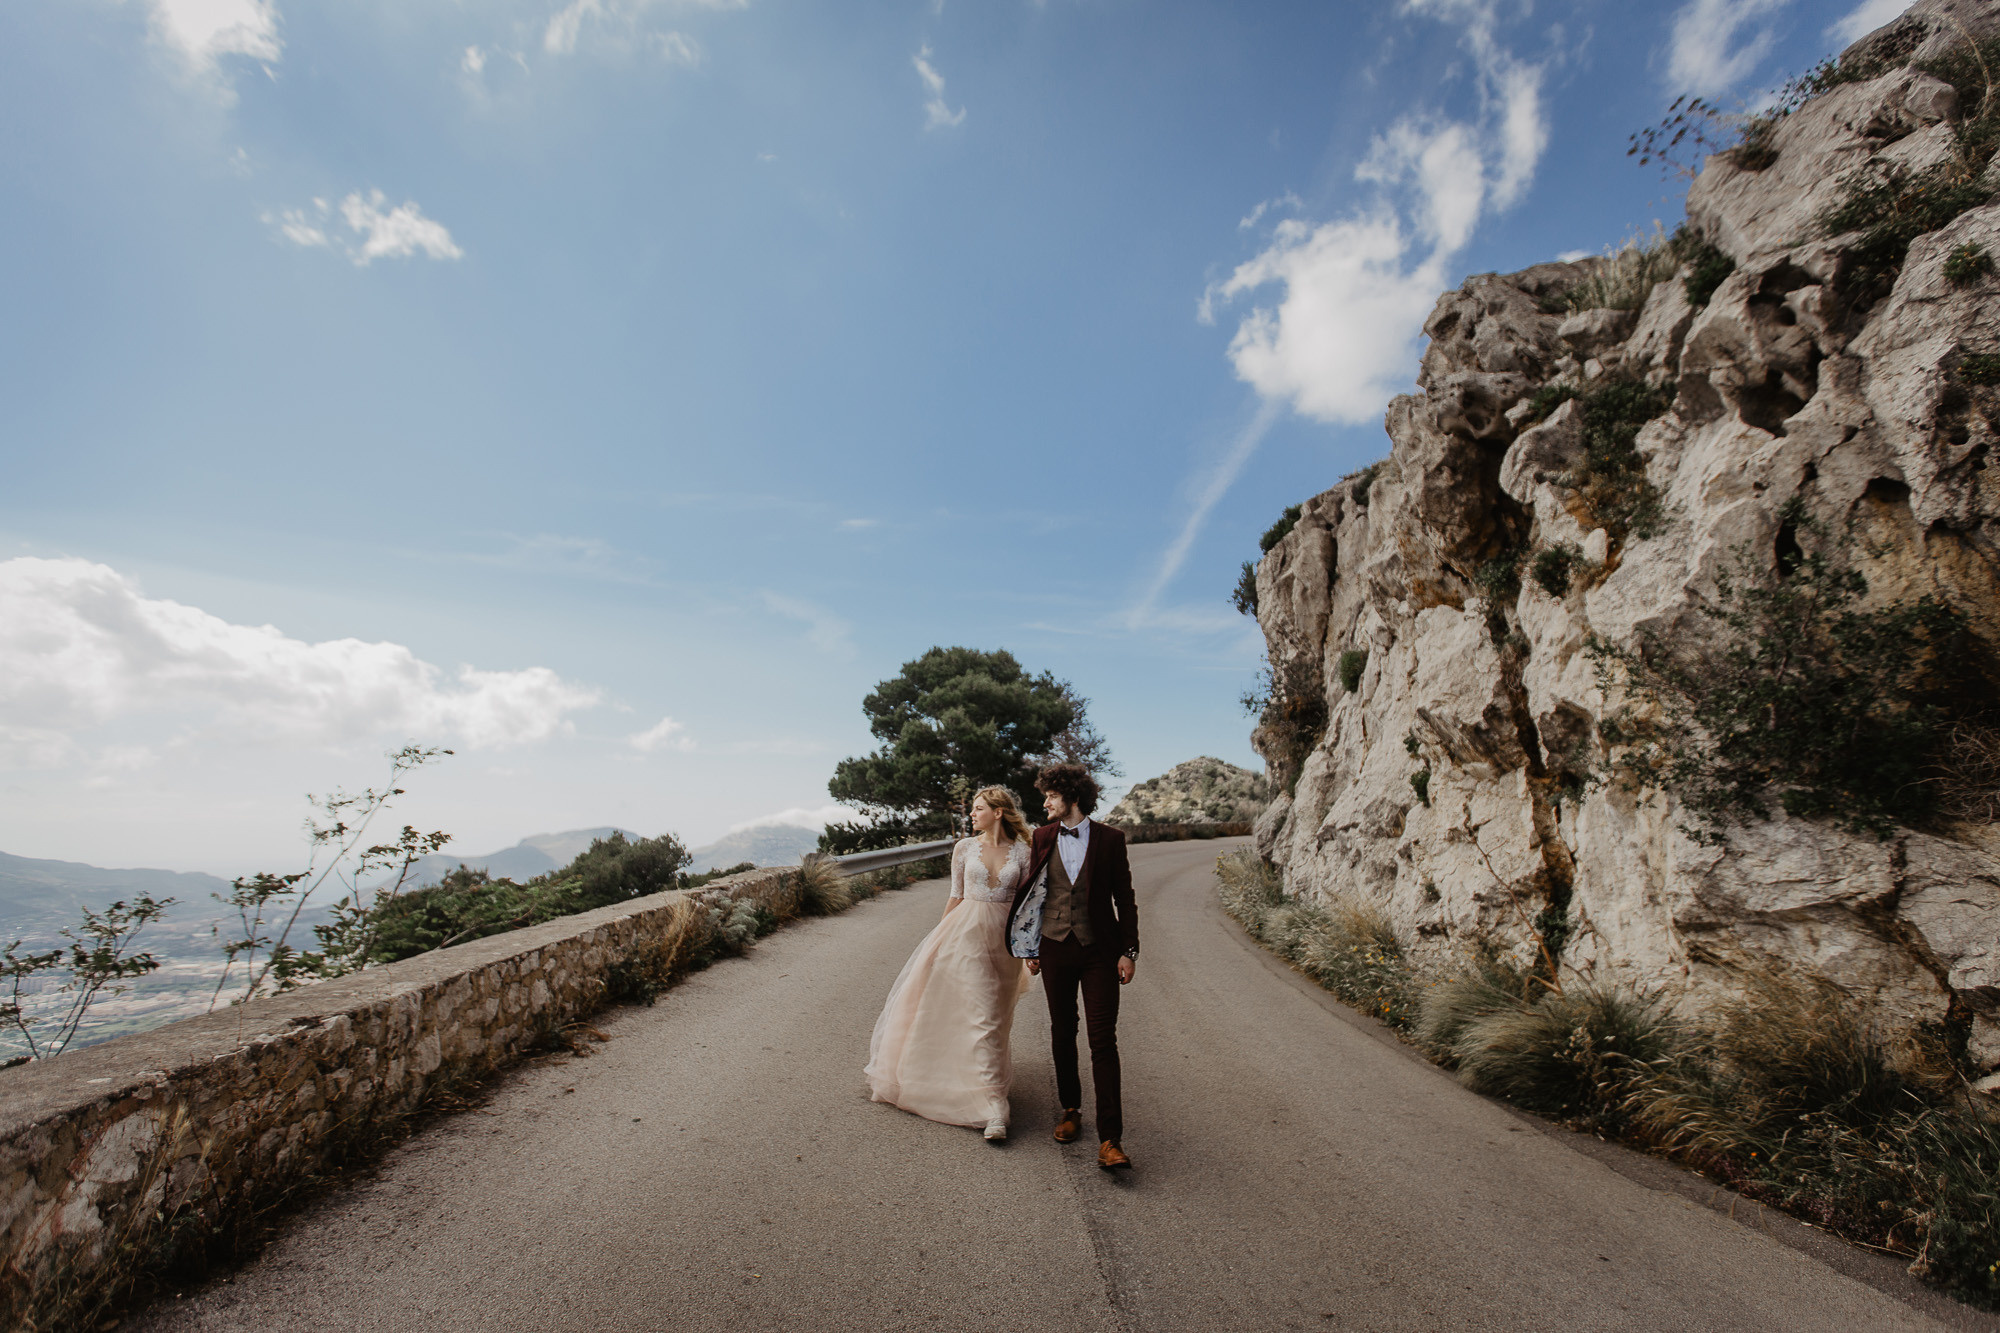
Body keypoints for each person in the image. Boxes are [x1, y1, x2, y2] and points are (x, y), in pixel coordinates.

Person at [864, 786, 1034, 1141]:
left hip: (1004, 943)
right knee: (981, 1015)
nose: (971, 815)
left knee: (997, 1019)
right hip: (964, 936)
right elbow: (955, 896)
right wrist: (935, 943)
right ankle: (993, 1112)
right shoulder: (964, 848)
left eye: (978, 809)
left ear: (998, 812)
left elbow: (1027, 904)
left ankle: (982, 1085)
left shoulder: (1022, 851)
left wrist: (1031, 948)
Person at [1006, 762, 1138, 1171]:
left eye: (1051, 796)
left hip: (1100, 950)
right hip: (1055, 947)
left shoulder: (1111, 839)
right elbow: (1035, 895)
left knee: (1103, 1040)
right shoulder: (1043, 836)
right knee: (1063, 1031)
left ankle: (1111, 1139)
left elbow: (1125, 897)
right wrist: (1029, 946)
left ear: (1072, 797)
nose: (1045, 802)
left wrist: (1128, 951)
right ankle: (1070, 1109)